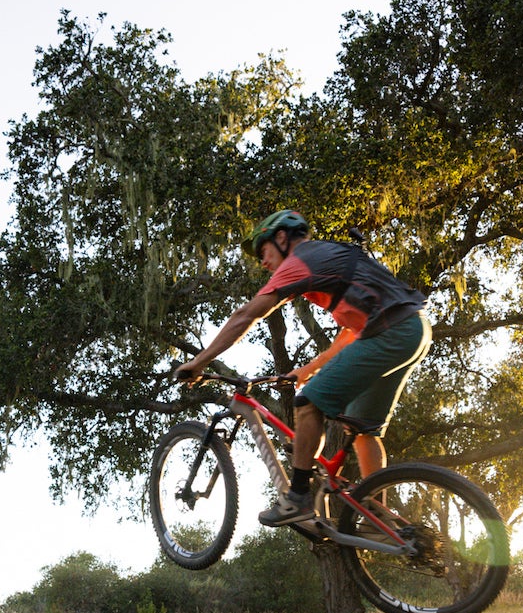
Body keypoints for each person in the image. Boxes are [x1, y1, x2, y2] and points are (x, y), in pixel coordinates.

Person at [175, 209, 430, 526]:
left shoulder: (301, 261)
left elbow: (246, 315)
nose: (263, 262)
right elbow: (349, 335)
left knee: (307, 403)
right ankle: (379, 520)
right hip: (413, 331)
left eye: (263, 251)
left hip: (390, 333)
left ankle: (297, 498)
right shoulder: (333, 257)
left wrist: (199, 362)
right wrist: (307, 370)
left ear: (282, 238)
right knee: (363, 430)